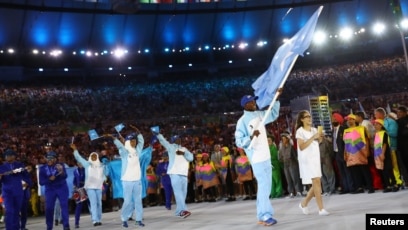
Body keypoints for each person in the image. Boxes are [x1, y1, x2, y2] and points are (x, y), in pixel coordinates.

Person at [235, 91, 281, 226]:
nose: (253, 103)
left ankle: (262, 215)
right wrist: (250, 137)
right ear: (244, 105)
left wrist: (276, 100)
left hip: (266, 157)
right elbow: (238, 141)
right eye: (250, 102)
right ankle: (265, 215)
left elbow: (273, 114)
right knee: (264, 187)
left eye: (254, 101)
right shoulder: (242, 121)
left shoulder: (260, 115)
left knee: (266, 187)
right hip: (257, 158)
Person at [105, 126, 150, 228]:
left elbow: (141, 142)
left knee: (138, 201)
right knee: (128, 201)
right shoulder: (125, 152)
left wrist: (138, 132)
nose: (134, 142)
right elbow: (120, 146)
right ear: (128, 142)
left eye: (134, 141)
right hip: (127, 181)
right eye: (132, 141)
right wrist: (114, 138)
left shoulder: (137, 151)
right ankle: (124, 219)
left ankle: (138, 219)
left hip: (137, 180)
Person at [295, 110, 329, 216]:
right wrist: (313, 137)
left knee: (316, 183)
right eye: (307, 116)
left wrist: (320, 138)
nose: (309, 118)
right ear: (302, 119)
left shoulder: (314, 129)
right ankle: (321, 209)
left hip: (315, 158)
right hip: (306, 160)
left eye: (310, 116)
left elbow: (317, 143)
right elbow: (301, 146)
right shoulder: (299, 131)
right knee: (316, 182)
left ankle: (304, 203)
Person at [154, 132, 194, 218]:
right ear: (173, 140)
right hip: (174, 173)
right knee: (178, 192)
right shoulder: (171, 147)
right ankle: (183, 210)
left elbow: (191, 158)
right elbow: (163, 141)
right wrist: (158, 135)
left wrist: (183, 153)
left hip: (183, 173)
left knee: (183, 193)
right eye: (176, 139)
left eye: (179, 138)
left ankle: (179, 211)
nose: (179, 140)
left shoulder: (184, 149)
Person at [71, 144, 107, 227]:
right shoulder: (87, 164)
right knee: (93, 203)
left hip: (98, 186)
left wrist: (105, 179)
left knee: (99, 203)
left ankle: (99, 219)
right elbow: (79, 158)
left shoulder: (101, 165)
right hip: (90, 187)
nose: (94, 158)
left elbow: (104, 175)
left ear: (97, 157)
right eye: (93, 156)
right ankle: (95, 220)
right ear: (91, 157)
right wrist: (75, 149)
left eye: (95, 156)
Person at [39, 151, 70, 230]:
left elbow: (65, 176)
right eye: (48, 158)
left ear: (55, 159)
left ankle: (66, 225)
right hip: (50, 189)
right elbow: (41, 182)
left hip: (61, 187)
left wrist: (62, 172)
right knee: (49, 208)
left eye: (51, 158)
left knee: (64, 205)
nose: (49, 160)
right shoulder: (42, 169)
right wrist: (49, 179)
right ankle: (49, 226)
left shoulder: (60, 165)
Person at [343, 114, 374, 194]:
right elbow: (346, 143)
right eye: (348, 120)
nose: (349, 121)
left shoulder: (362, 128)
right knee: (355, 172)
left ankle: (370, 186)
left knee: (365, 170)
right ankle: (359, 187)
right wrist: (345, 153)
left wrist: (367, 150)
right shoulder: (346, 131)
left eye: (351, 119)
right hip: (351, 154)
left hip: (361, 152)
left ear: (355, 120)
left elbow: (367, 139)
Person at [0, 149, 31, 230]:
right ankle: (9, 228)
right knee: (10, 211)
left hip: (18, 192)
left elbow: (26, 176)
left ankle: (16, 228)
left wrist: (28, 183)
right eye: (7, 156)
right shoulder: (2, 167)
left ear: (14, 156)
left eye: (10, 155)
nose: (8, 157)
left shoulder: (20, 165)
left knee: (17, 212)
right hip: (7, 192)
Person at [374, 107, 403, 188]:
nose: (375, 116)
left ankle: (397, 182)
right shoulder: (377, 125)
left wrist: (383, 130)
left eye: (376, 114)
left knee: (393, 166)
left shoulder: (390, 122)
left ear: (380, 114)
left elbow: (394, 133)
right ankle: (390, 183)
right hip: (381, 151)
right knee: (386, 168)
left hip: (391, 147)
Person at [373, 119, 398, 192]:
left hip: (385, 154)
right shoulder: (376, 134)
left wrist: (383, 154)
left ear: (381, 125)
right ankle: (388, 185)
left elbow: (384, 144)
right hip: (378, 154)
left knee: (389, 169)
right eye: (375, 124)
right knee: (383, 170)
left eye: (377, 124)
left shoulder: (384, 133)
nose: (375, 126)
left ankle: (394, 184)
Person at [331, 112, 354, 194]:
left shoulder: (344, 129)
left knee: (347, 171)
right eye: (332, 119)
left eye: (335, 118)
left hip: (344, 152)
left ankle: (351, 187)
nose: (333, 120)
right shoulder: (332, 130)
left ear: (339, 119)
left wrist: (346, 152)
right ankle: (345, 188)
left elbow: (347, 142)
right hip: (336, 153)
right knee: (341, 172)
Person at [278, 131, 302, 198]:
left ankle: (298, 191)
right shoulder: (281, 148)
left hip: (292, 164)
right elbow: (279, 157)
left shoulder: (291, 147)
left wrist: (296, 163)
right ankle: (291, 192)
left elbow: (295, 156)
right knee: (288, 179)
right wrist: (282, 160)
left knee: (295, 178)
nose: (283, 140)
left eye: (284, 139)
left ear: (287, 139)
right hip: (286, 165)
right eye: (282, 139)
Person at [72, 161, 86, 228]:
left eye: (81, 162)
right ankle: (76, 223)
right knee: (78, 206)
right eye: (78, 163)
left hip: (86, 188)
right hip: (79, 190)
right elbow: (74, 180)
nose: (80, 164)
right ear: (77, 163)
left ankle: (95, 220)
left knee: (91, 204)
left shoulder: (86, 169)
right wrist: (74, 185)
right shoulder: (75, 171)